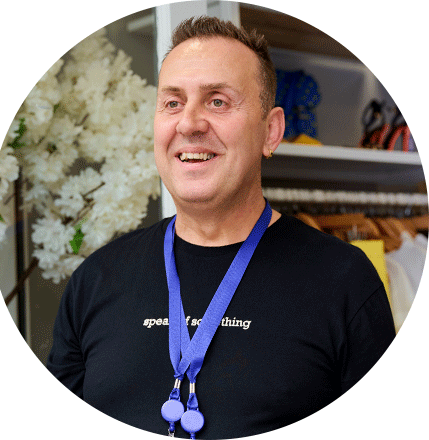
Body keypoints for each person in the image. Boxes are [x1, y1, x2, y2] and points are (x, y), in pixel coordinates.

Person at [47, 16, 396, 439]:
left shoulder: (346, 283)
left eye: (217, 101)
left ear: (271, 132)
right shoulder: (94, 281)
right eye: (173, 102)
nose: (189, 123)